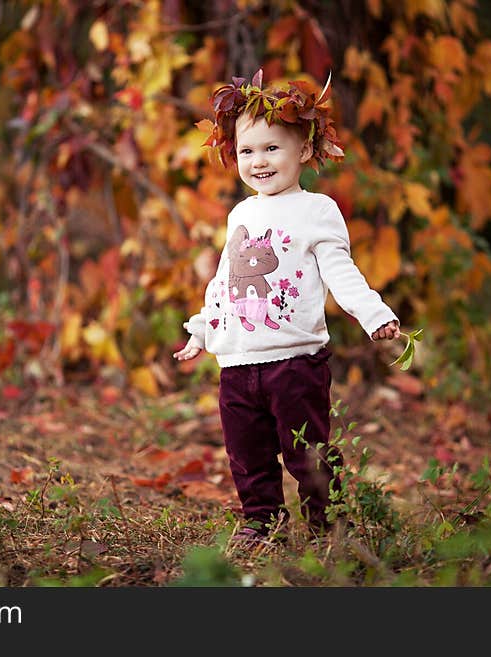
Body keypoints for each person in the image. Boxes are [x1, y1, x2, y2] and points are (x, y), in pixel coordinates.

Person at [173, 69, 400, 543]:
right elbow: (224, 281)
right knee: (246, 451)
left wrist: (376, 315)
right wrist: (201, 330)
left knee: (308, 451)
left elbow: (342, 273)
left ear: (303, 150)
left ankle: (327, 525)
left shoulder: (316, 211)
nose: (259, 161)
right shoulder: (241, 213)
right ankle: (261, 522)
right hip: (237, 362)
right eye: (247, 150)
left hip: (295, 362)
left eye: (272, 148)